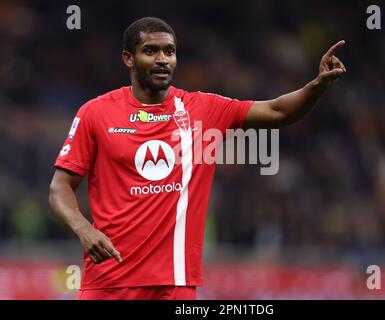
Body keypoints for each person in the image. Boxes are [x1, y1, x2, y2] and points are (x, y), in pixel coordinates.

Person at [49, 17, 346, 300]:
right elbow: (60, 187)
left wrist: (317, 86)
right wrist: (84, 229)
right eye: (150, 51)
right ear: (129, 58)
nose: (162, 59)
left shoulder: (202, 109)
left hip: (176, 283)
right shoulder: (95, 113)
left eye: (170, 51)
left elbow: (277, 111)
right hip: (108, 281)